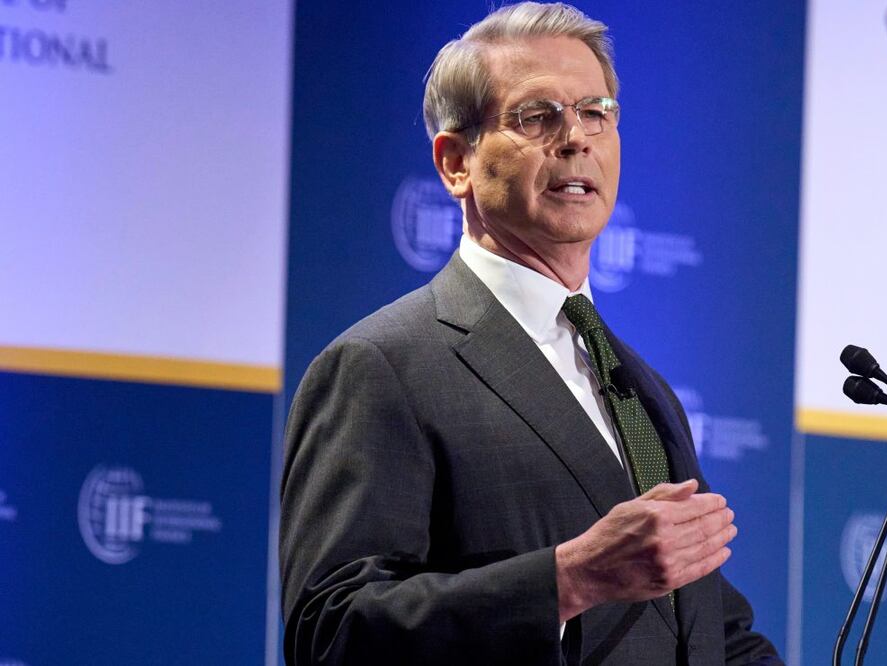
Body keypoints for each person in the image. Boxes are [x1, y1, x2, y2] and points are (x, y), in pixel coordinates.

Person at [279, 3, 782, 664]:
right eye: (536, 116)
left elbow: (703, 631)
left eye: (595, 111)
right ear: (455, 162)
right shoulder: (382, 366)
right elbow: (330, 630)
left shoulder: (640, 387)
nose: (575, 138)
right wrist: (568, 580)